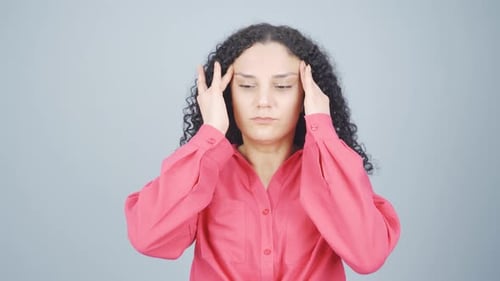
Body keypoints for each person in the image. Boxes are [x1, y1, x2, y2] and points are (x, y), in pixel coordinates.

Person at [124, 23, 400, 281]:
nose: (263, 102)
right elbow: (147, 236)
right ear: (227, 95)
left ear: (307, 93)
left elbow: (368, 255)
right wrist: (209, 134)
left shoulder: (329, 173)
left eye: (282, 86)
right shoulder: (204, 170)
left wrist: (322, 129)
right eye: (246, 86)